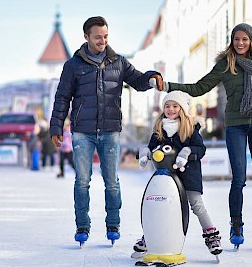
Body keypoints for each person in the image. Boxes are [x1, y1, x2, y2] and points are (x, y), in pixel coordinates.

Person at [159, 23, 252, 248]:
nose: (240, 43)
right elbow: (199, 88)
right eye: (237, 39)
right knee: (238, 179)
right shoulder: (226, 64)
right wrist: (168, 85)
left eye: (245, 39)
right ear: (232, 41)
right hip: (235, 126)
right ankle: (236, 226)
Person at [49, 16, 165, 245]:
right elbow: (62, 98)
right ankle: (82, 227)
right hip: (82, 131)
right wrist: (56, 126)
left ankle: (113, 224)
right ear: (86, 37)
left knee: (112, 181)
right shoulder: (73, 66)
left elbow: (138, 81)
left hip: (110, 130)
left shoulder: (118, 62)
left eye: (105, 36)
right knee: (82, 180)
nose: (102, 41)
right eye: (97, 37)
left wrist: (152, 75)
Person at [134, 91, 222, 257]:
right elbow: (152, 147)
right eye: (167, 106)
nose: (171, 109)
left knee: (196, 204)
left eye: (175, 106)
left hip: (189, 175)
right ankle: (150, 237)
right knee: (161, 206)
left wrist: (188, 151)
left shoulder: (190, 127)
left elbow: (201, 149)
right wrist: (145, 152)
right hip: (166, 177)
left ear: (182, 109)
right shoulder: (159, 128)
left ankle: (211, 237)